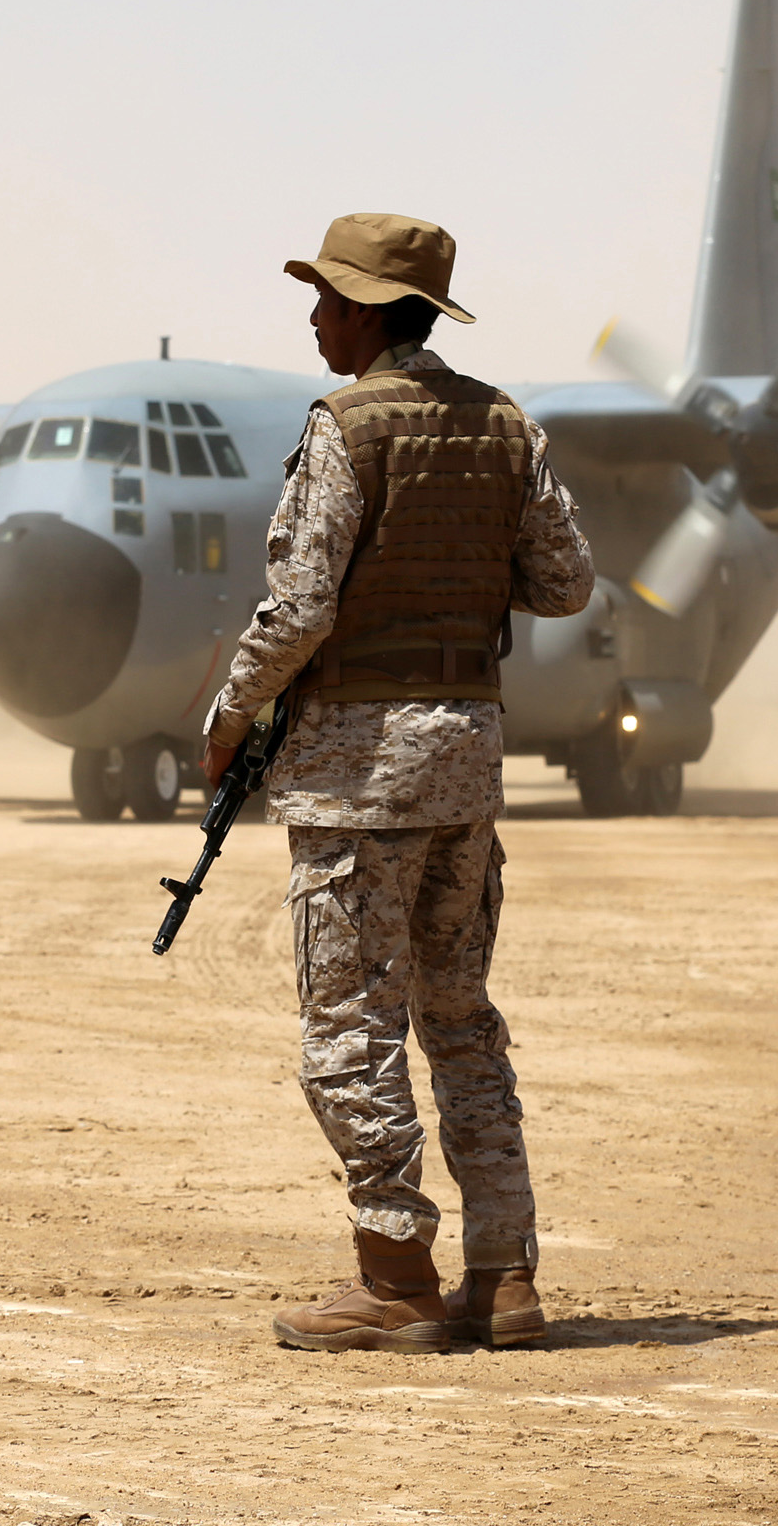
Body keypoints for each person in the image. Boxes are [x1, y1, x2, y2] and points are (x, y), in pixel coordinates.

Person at [201, 212, 596, 1355]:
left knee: (354, 1022)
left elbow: (300, 604)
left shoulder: (346, 427)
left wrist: (230, 713)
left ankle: (394, 1274)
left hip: (357, 776)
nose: (314, 315)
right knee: (460, 1015)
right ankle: (505, 1277)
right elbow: (564, 580)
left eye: (327, 297)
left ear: (372, 310)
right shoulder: (507, 426)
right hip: (466, 764)